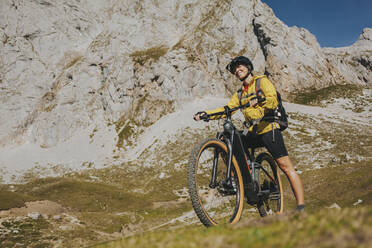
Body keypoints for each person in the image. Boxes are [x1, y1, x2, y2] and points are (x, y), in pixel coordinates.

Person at [194, 56, 305, 212]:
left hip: (269, 130)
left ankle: (300, 205)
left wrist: (258, 105)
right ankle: (237, 178)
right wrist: (206, 114)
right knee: (229, 140)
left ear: (248, 67)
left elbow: (272, 99)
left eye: (240, 67)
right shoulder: (239, 94)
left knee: (286, 167)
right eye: (234, 69)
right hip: (253, 132)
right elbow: (227, 109)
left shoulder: (261, 81)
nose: (237, 70)